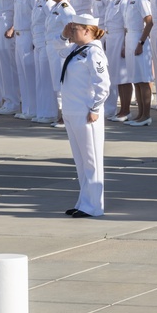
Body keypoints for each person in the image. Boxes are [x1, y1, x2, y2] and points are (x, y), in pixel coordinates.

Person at [59, 14, 111, 218]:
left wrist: (95, 108)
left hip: (86, 113)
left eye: (75, 29)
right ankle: (84, 202)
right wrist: (63, 36)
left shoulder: (94, 53)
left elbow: (103, 85)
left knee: (92, 161)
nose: (71, 32)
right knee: (81, 161)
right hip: (72, 110)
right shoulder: (76, 49)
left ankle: (94, 206)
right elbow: (57, 49)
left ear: (87, 30)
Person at [122, 0, 154, 126]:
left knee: (143, 79)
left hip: (138, 39)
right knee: (135, 79)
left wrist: (141, 43)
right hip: (130, 38)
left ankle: (146, 115)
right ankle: (140, 114)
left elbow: (149, 22)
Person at [46, 0, 77, 127]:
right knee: (57, 84)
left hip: (62, 51)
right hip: (54, 49)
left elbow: (72, 29)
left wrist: (65, 46)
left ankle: (65, 117)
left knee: (62, 85)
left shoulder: (66, 9)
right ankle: (61, 116)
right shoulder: (56, 7)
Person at [11, 0, 39, 121]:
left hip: (29, 35)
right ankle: (27, 108)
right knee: (22, 74)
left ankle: (34, 108)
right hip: (20, 35)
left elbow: (35, 17)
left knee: (30, 75)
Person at [104, 0, 133, 123]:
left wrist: (124, 45)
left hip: (120, 41)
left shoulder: (124, 1)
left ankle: (126, 110)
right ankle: (119, 109)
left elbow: (126, 25)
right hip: (112, 41)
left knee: (124, 77)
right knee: (116, 76)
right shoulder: (115, 0)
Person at [30, 0, 58, 123]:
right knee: (40, 79)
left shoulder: (48, 2)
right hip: (38, 43)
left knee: (47, 79)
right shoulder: (39, 1)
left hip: (46, 44)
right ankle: (42, 112)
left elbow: (51, 24)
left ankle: (49, 113)